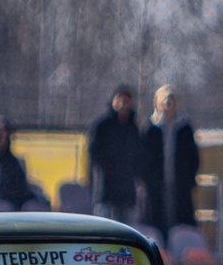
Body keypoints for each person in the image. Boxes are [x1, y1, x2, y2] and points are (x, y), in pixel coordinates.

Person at [140, 84, 199, 229]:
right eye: (164, 100)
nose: (167, 104)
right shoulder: (150, 128)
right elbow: (142, 158)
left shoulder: (184, 128)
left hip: (179, 184)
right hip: (156, 185)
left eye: (170, 100)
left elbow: (193, 157)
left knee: (181, 219)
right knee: (157, 219)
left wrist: (188, 178)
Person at [85, 85, 144, 220]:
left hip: (127, 191)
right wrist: (107, 167)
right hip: (107, 188)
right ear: (113, 101)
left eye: (127, 101)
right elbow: (94, 154)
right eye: (120, 100)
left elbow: (139, 156)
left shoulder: (133, 128)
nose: (123, 104)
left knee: (126, 229)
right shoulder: (103, 126)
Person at [0, 115, 39, 207]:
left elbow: (20, 187)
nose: (2, 140)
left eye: (5, 136)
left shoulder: (12, 161)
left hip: (14, 203)